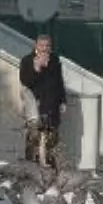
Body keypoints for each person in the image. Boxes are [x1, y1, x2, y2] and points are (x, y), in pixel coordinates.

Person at [19, 35, 67, 168]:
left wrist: (63, 101)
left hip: (52, 105)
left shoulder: (55, 59)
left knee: (51, 139)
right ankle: (32, 168)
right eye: (42, 46)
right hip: (35, 106)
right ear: (36, 46)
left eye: (48, 46)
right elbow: (25, 81)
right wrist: (37, 68)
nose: (45, 49)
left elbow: (59, 81)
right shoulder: (27, 60)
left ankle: (51, 170)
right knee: (34, 139)